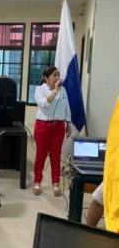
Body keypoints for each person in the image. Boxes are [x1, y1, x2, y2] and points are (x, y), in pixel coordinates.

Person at [32, 66, 72, 196]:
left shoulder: (63, 90)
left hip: (59, 126)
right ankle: (37, 181)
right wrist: (55, 91)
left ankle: (56, 183)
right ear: (46, 78)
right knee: (41, 155)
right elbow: (44, 103)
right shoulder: (40, 90)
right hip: (43, 126)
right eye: (54, 75)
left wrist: (68, 123)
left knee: (56, 155)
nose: (57, 77)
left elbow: (66, 107)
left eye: (58, 75)